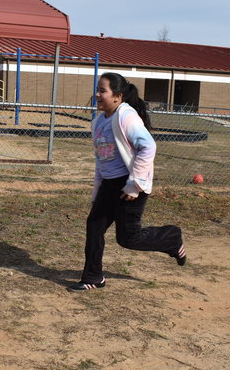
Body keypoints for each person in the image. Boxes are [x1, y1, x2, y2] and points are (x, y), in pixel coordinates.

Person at [70, 72, 186, 291]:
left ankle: (172, 238)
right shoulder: (97, 123)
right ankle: (93, 277)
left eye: (102, 91)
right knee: (94, 226)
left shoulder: (125, 116)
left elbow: (148, 146)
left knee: (128, 238)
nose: (97, 95)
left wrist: (134, 185)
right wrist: (97, 193)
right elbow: (101, 161)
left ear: (117, 96)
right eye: (97, 90)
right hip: (109, 184)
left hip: (129, 185)